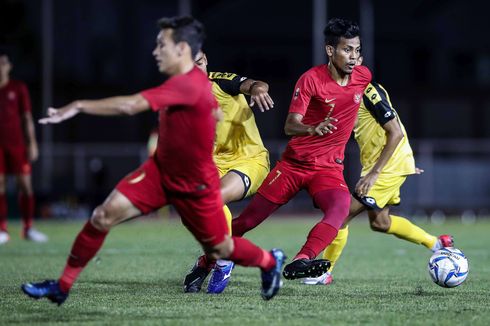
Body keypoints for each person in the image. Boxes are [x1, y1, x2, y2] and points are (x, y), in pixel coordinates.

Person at [21, 16, 285, 305]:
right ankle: (62, 286)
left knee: (220, 246)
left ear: (182, 49)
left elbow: (130, 105)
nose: (155, 51)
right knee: (102, 215)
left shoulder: (194, 84)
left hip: (194, 180)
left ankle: (269, 262)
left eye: (162, 45)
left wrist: (78, 105)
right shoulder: (179, 84)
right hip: (159, 173)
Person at [194, 18, 371, 289]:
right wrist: (313, 128)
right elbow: (290, 125)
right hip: (293, 166)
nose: (353, 56)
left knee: (339, 208)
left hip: (328, 168)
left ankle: (302, 259)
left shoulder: (363, 76)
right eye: (347, 49)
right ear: (330, 51)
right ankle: (207, 262)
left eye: (357, 50)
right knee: (247, 222)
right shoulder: (311, 79)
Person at [302, 58, 453, 285]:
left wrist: (377, 172)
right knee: (380, 222)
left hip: (384, 168)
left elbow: (396, 132)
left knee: (341, 214)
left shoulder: (369, 91)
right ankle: (436, 244)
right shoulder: (346, 96)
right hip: (387, 164)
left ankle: (324, 272)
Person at [179, 51, 274, 294]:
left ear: (206, 59)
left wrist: (259, 89)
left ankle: (223, 261)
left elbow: (251, 84)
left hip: (250, 159)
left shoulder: (221, 82)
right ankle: (208, 259)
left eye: (199, 63)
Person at [0, 52, 47, 244]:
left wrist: (32, 142)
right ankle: (2, 230)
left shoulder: (18, 88)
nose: (0, 66)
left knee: (25, 186)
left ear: (9, 66)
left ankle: (28, 228)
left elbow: (27, 117)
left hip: (17, 145)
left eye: (3, 63)